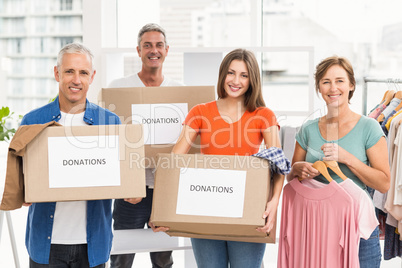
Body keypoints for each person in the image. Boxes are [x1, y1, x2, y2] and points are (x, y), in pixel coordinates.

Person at [152, 48, 284, 268]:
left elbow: (278, 165)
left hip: (248, 207)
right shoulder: (200, 112)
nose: (235, 80)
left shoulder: (264, 115)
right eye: (231, 73)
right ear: (222, 75)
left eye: (243, 75)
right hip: (206, 206)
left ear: (252, 80)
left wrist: (274, 202)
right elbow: (174, 163)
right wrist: (162, 211)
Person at [21, 43, 121, 267]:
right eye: (69, 71)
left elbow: (120, 177)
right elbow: (21, 182)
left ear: (92, 76)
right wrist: (24, 192)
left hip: (93, 244)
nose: (76, 80)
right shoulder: (32, 121)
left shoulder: (111, 122)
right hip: (46, 245)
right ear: (57, 73)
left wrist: (131, 191)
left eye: (83, 72)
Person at [287, 56, 391, 267]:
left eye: (340, 81)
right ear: (319, 87)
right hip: (317, 225)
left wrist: (347, 158)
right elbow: (290, 177)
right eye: (326, 82)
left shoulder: (369, 127)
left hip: (358, 226)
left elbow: (383, 183)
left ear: (351, 85)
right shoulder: (308, 129)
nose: (333, 88)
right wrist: (298, 169)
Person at [109, 23, 183, 268]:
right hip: (131, 192)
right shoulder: (120, 88)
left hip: (165, 191)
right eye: (147, 45)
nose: (154, 50)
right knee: (120, 258)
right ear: (138, 51)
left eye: (159, 45)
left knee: (163, 259)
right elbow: (110, 142)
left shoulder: (179, 92)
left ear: (167, 49)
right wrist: (123, 186)